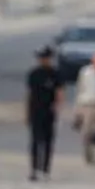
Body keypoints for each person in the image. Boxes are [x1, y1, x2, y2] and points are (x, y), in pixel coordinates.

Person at [26, 46, 64, 181]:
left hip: (49, 111)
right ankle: (34, 169)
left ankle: (46, 170)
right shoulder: (34, 74)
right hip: (36, 110)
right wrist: (27, 112)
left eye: (46, 58)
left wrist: (57, 107)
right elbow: (29, 94)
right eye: (41, 58)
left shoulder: (55, 74)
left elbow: (59, 92)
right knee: (35, 141)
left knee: (48, 141)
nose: (43, 60)